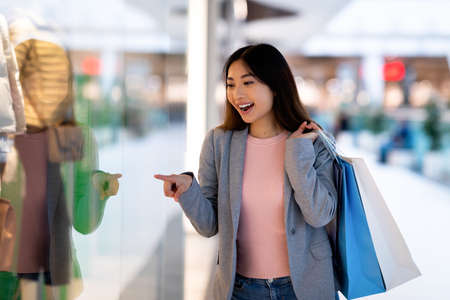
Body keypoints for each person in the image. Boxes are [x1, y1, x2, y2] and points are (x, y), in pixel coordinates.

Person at [155, 44, 338, 300]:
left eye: (247, 83)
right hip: (242, 290)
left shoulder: (311, 140)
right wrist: (188, 192)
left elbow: (319, 215)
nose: (237, 94)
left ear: (275, 85)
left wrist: (297, 154)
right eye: (230, 85)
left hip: (304, 287)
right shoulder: (219, 143)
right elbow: (209, 226)